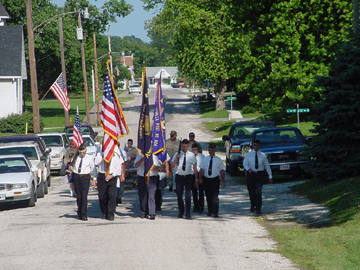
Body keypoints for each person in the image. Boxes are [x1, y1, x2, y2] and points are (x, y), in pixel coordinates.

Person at [94, 147, 125, 221]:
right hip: (102, 175)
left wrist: (112, 175)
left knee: (112, 196)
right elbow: (95, 163)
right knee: (102, 196)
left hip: (112, 176)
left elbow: (118, 168)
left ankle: (111, 214)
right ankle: (104, 212)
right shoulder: (100, 152)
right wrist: (103, 155)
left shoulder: (115, 154)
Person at [243, 139, 273, 215]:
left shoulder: (263, 155)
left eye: (257, 145)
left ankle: (258, 208)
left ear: (260, 146)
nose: (256, 147)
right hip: (251, 174)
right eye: (254, 145)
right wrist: (248, 169)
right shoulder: (248, 154)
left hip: (260, 174)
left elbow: (267, 166)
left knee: (258, 192)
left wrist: (270, 176)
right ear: (252, 146)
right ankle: (253, 205)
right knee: (251, 191)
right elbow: (245, 164)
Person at [171, 139, 198, 219]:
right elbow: (172, 166)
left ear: (188, 146)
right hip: (179, 176)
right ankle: (181, 211)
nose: (184, 148)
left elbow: (195, 167)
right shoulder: (177, 154)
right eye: (183, 146)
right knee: (179, 195)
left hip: (188, 176)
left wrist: (196, 179)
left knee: (188, 196)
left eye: (186, 146)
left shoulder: (191, 155)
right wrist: (176, 158)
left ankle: (188, 213)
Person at [68, 144, 95, 221]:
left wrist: (94, 179)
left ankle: (84, 214)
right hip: (77, 177)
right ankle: (79, 212)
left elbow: (93, 169)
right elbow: (73, 169)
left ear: (86, 151)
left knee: (84, 196)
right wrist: (71, 169)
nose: (82, 154)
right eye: (80, 152)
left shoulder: (89, 158)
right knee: (79, 197)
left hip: (85, 177)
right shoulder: (75, 157)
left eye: (83, 152)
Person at [199, 143, 225, 218]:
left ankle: (215, 212)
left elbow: (221, 171)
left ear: (215, 150)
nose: (211, 151)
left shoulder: (218, 160)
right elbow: (202, 170)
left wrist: (223, 181)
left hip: (215, 180)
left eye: (212, 150)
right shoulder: (205, 159)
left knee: (215, 197)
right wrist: (200, 178)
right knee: (208, 196)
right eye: (210, 150)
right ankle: (210, 210)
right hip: (206, 179)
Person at [134, 154, 161, 220]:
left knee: (151, 195)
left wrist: (150, 163)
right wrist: (142, 159)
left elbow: (157, 168)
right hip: (142, 177)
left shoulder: (154, 156)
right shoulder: (139, 156)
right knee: (142, 195)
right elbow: (135, 166)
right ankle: (143, 211)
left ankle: (152, 213)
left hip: (152, 177)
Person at [191, 143, 205, 213]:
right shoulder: (190, 156)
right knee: (194, 192)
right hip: (193, 174)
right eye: (193, 149)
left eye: (195, 149)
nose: (194, 151)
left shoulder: (202, 156)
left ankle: (201, 206)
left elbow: (204, 166)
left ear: (198, 149)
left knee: (201, 191)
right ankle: (195, 206)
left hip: (200, 174)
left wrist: (200, 177)